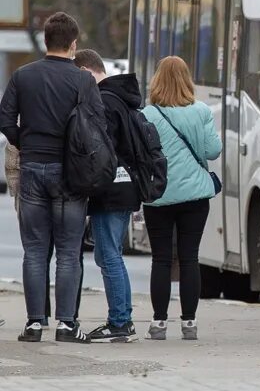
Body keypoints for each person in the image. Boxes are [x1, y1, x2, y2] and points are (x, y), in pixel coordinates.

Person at [0, 12, 104, 343]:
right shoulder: (83, 80)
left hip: (32, 168)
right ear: (74, 44)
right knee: (69, 251)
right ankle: (66, 325)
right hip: (70, 174)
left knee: (34, 249)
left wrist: (24, 141)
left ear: (46, 41)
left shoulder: (22, 76)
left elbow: (5, 119)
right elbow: (96, 125)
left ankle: (34, 324)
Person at [141, 56, 221, 341]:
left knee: (161, 259)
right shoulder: (201, 111)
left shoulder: (148, 114)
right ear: (187, 80)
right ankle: (189, 323)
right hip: (195, 196)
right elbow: (213, 150)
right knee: (190, 258)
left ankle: (159, 323)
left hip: (158, 195)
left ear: (157, 80)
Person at [75, 49, 143, 342]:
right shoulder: (121, 98)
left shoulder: (102, 101)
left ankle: (119, 321)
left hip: (110, 189)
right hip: (126, 186)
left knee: (109, 256)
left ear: (87, 72)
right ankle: (122, 318)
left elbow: (100, 150)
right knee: (109, 254)